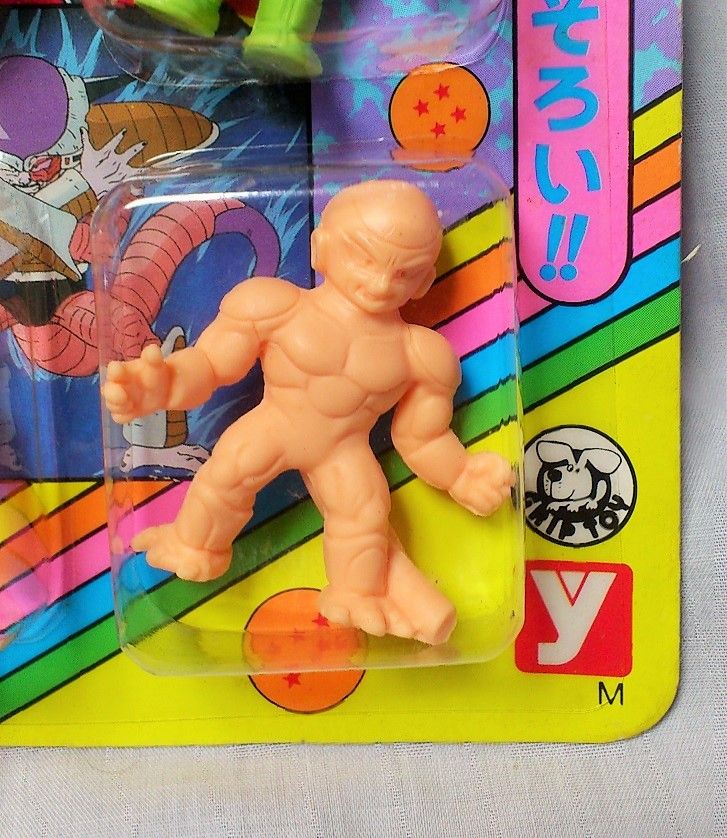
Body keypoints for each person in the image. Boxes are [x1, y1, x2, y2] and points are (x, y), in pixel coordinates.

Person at [103, 181, 514, 644]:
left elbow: (422, 437)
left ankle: (357, 595)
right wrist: (165, 384)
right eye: (364, 258)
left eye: (404, 273)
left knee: (365, 510)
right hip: (275, 422)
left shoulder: (422, 354)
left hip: (344, 448)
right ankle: (193, 543)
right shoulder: (273, 305)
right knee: (228, 470)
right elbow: (213, 364)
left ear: (424, 281)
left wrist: (460, 475)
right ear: (321, 248)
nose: (380, 284)